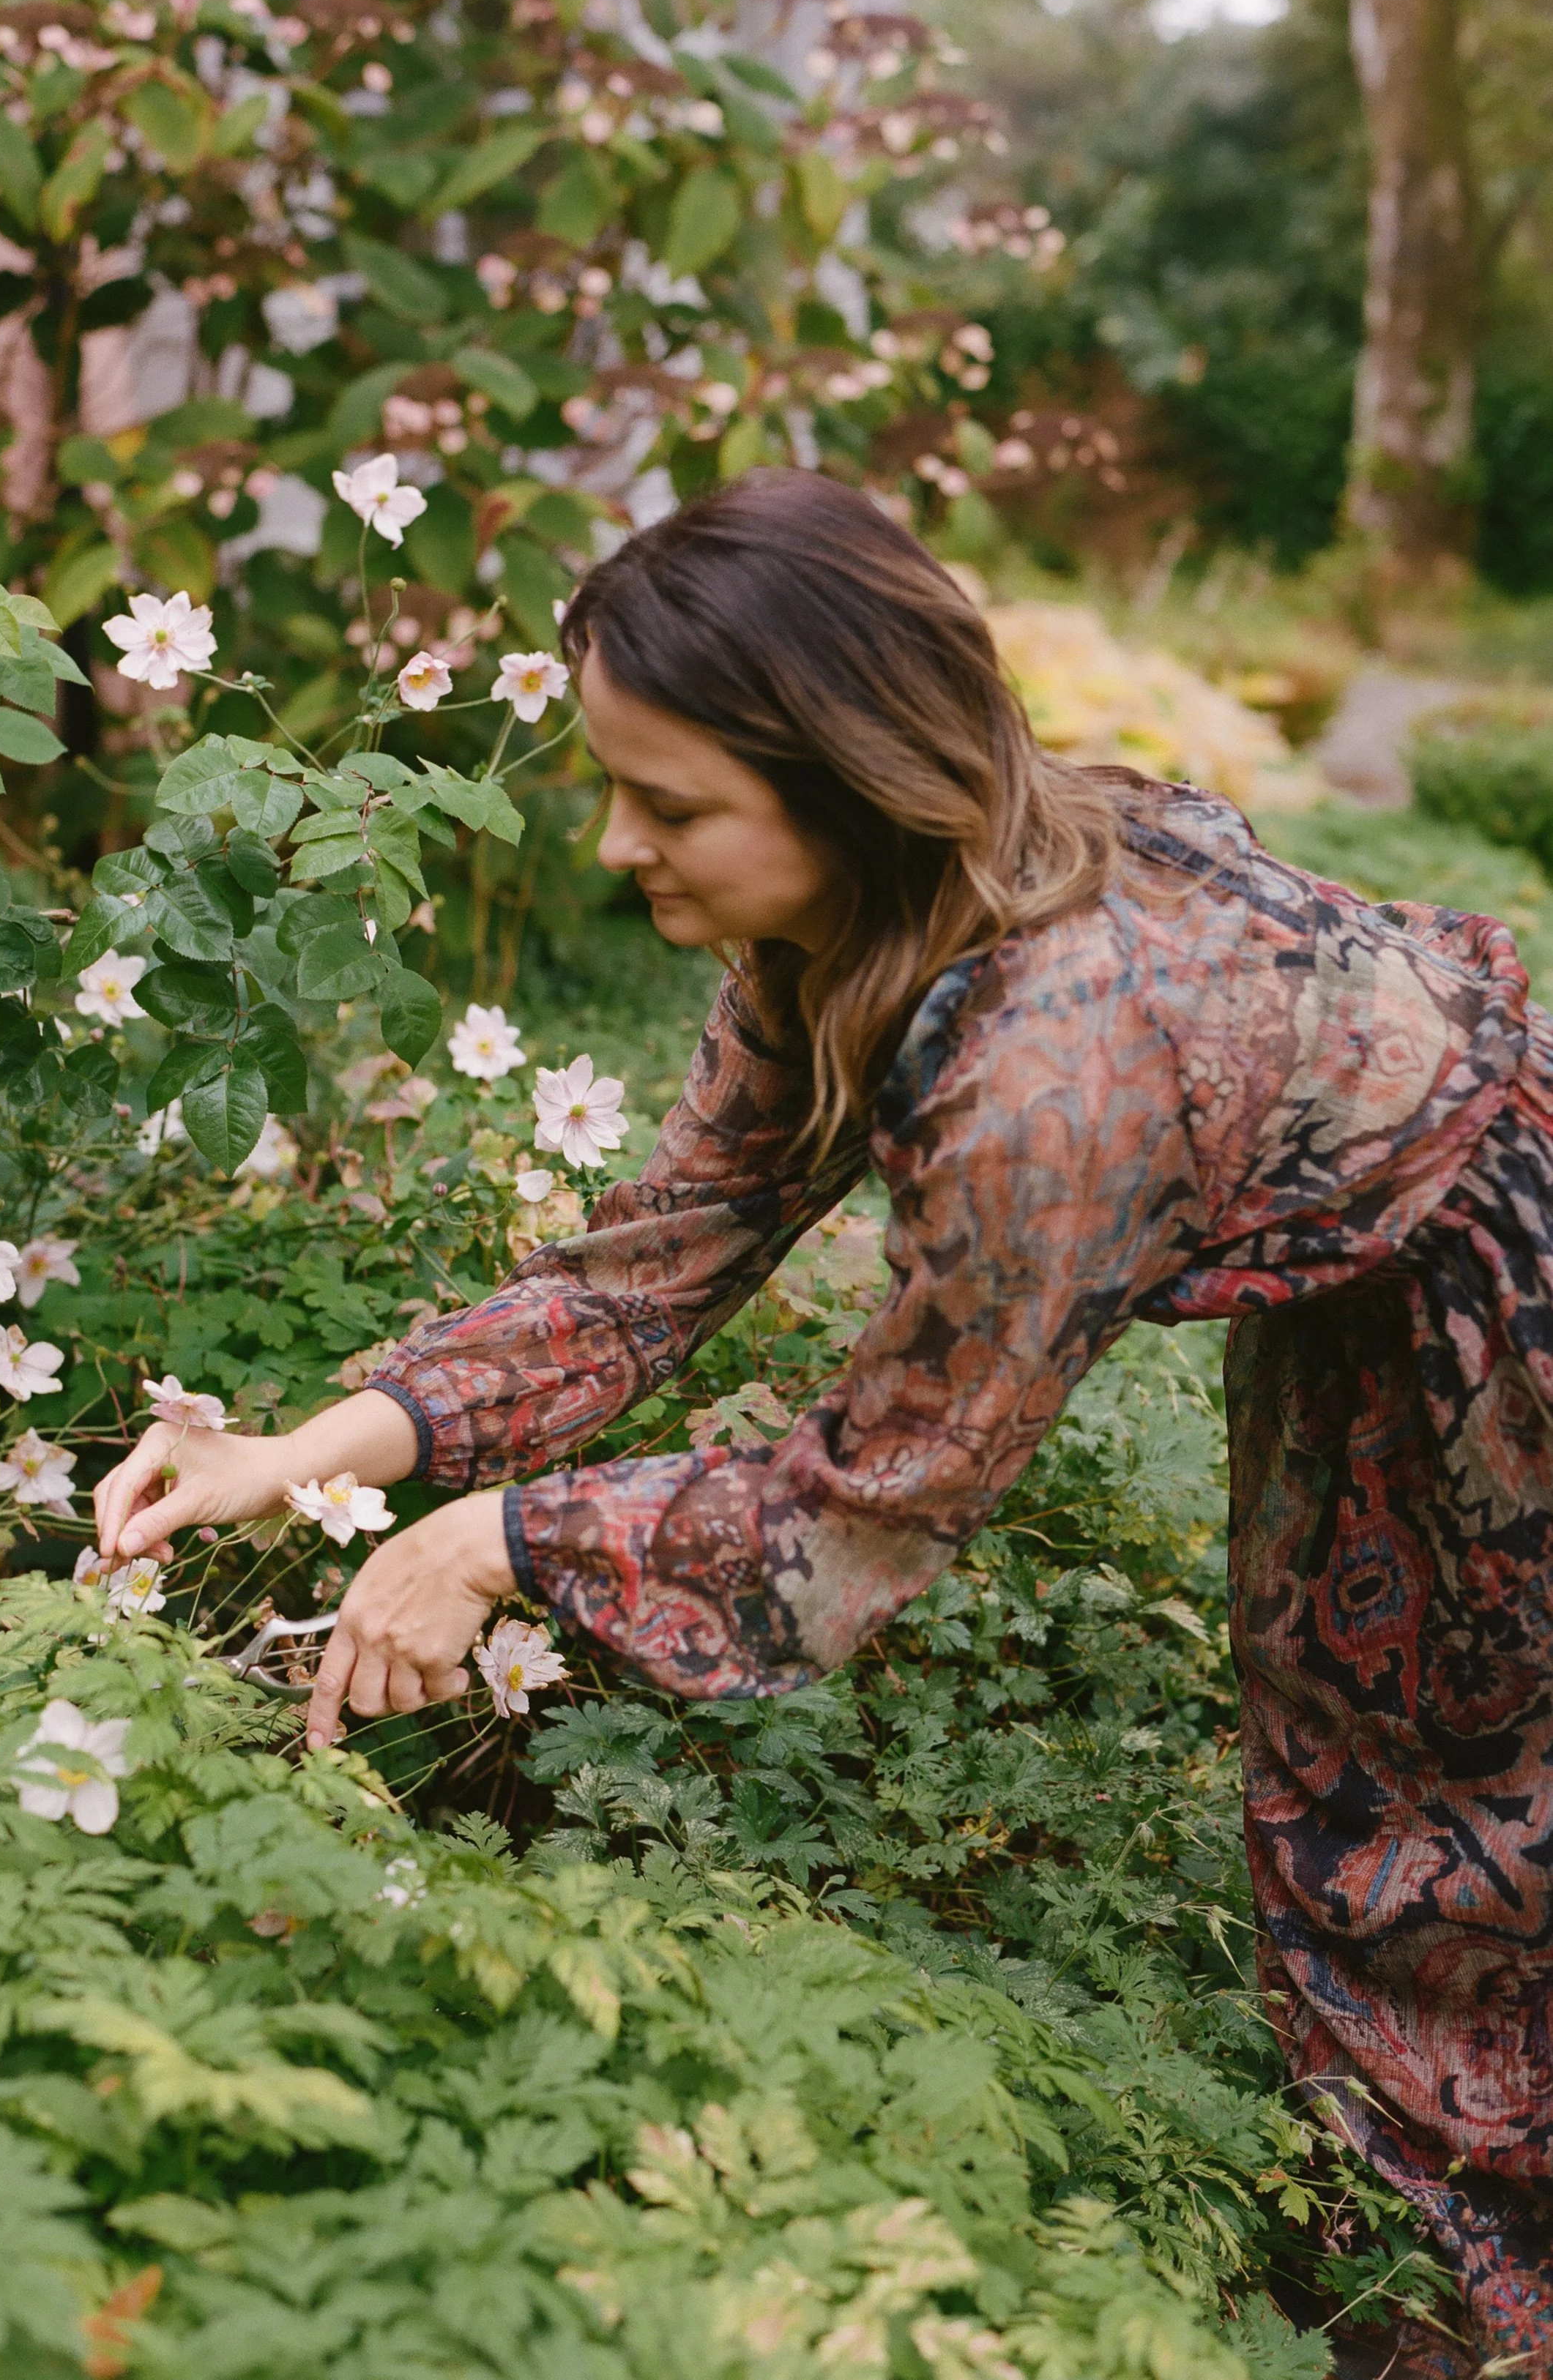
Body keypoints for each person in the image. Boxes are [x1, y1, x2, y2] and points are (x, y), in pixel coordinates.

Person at [94, 470, 1553, 2373]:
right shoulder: (852, 922)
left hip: (1495, 1313)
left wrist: (496, 1544)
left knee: (1462, 1833)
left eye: (674, 803)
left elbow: (858, 1518)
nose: (619, 843)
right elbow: (653, 1263)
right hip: (1374, 1287)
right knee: (1373, 1798)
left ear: (852, 777)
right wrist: (306, 1451)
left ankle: (1449, 2325)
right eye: (613, 784)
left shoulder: (1055, 1073)